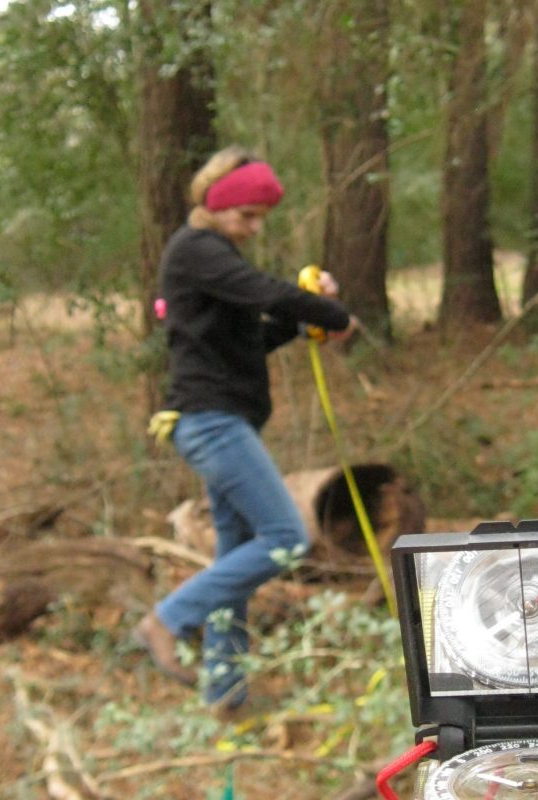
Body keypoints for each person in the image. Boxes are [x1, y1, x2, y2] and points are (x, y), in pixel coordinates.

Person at [133, 146, 358, 712]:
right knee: (287, 539)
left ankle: (226, 693)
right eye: (247, 216)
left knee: (234, 556)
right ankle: (165, 620)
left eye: (261, 218)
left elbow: (249, 341)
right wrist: (330, 314)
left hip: (220, 419)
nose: (254, 229)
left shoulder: (212, 259)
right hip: (211, 423)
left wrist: (307, 323)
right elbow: (270, 293)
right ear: (219, 205)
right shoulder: (197, 250)